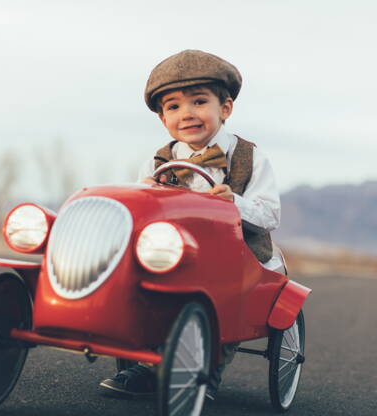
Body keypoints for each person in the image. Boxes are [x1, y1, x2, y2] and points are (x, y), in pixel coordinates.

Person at [99, 49, 282, 401]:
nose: (187, 114)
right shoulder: (158, 160)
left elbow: (270, 214)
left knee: (227, 294)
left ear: (224, 108)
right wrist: (146, 197)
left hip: (235, 253)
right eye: (173, 107)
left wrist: (234, 202)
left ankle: (207, 369)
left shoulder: (250, 157)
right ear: (162, 118)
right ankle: (144, 363)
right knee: (134, 277)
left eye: (199, 102)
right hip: (174, 251)